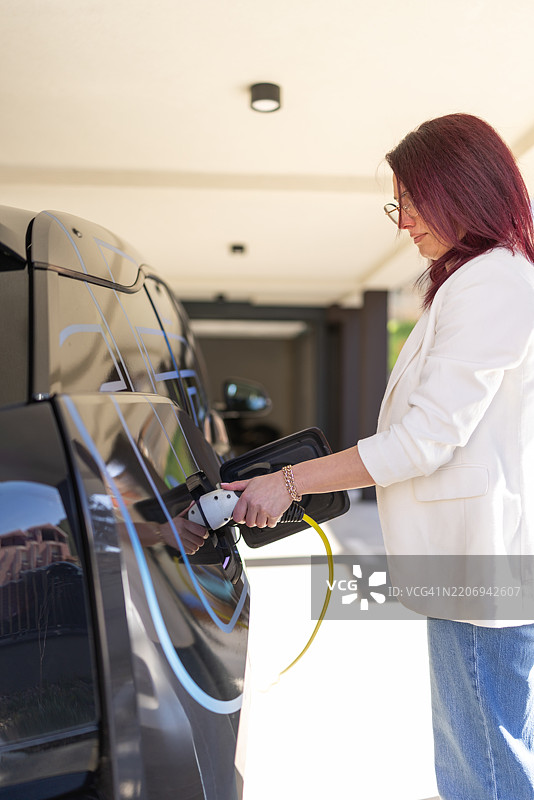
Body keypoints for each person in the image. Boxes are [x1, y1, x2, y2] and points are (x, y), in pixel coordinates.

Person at [221, 113, 534, 799]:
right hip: (471, 567)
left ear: (464, 190)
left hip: (480, 568)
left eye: (413, 201)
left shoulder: (492, 283)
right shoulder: (476, 282)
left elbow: (422, 441)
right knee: (477, 758)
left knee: (481, 769)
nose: (404, 222)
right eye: (400, 203)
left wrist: (289, 481)